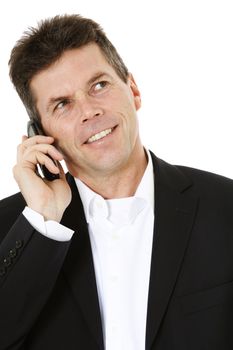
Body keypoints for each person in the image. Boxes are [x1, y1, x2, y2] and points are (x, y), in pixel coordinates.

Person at [0, 14, 233, 350]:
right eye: (62, 104)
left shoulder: (224, 207)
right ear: (41, 135)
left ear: (133, 90)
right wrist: (44, 221)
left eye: (99, 85)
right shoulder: (17, 230)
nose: (89, 111)